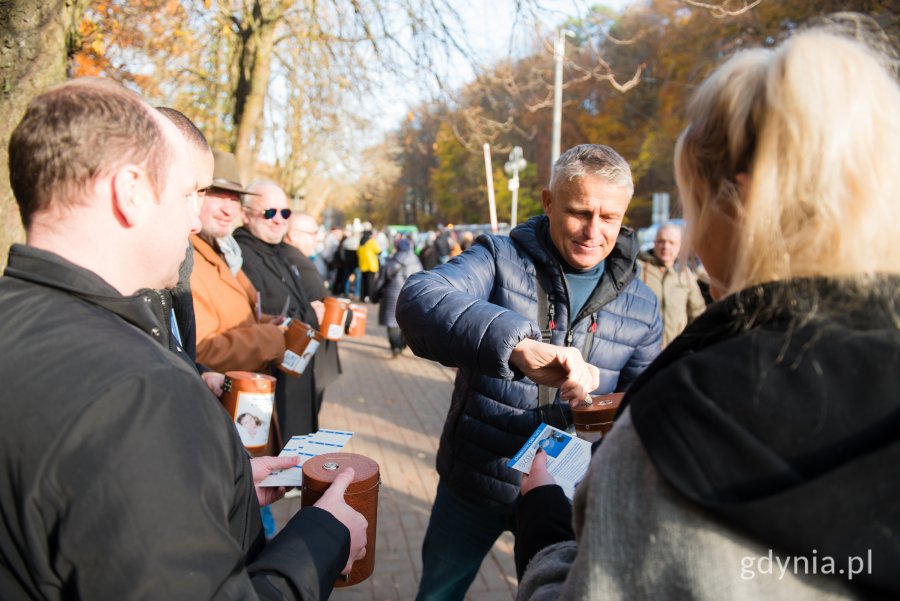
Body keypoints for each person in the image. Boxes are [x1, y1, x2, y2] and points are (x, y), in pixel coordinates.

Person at [516, 22, 900, 600]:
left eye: (693, 204)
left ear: (739, 202)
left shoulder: (676, 423)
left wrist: (546, 528)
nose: (690, 237)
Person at [0, 77, 367, 599]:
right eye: (186, 194)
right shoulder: (140, 391)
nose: (195, 219)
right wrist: (322, 539)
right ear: (129, 192)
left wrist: (227, 486)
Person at [397, 143, 663, 601]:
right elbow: (418, 300)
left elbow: (639, 411)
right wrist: (516, 347)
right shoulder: (499, 257)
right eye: (579, 212)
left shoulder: (643, 303)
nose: (593, 232)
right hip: (477, 478)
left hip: (565, 494)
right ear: (548, 202)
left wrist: (599, 411)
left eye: (610, 218)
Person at [234, 181, 323, 437]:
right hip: (269, 380)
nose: (278, 219)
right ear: (246, 215)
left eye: (285, 213)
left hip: (297, 374)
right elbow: (259, 315)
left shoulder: (280, 252)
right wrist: (310, 314)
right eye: (269, 212)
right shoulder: (241, 255)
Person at [637, 222, 705, 346]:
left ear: (679, 246)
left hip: (674, 348)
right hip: (643, 348)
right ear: (654, 242)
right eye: (661, 241)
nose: (666, 246)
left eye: (671, 243)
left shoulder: (685, 275)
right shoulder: (639, 270)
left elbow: (697, 312)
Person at [377, 237, 423, 357]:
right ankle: (403, 343)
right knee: (407, 322)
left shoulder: (391, 261)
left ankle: (395, 346)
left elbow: (381, 280)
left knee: (391, 322)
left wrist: (375, 294)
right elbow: (422, 280)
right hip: (410, 295)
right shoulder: (416, 262)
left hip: (391, 295)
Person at [357, 226, 381, 302]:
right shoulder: (372, 241)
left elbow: (358, 253)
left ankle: (362, 297)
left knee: (363, 283)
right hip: (371, 265)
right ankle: (370, 298)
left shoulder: (361, 242)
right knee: (371, 283)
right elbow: (378, 251)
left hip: (363, 265)